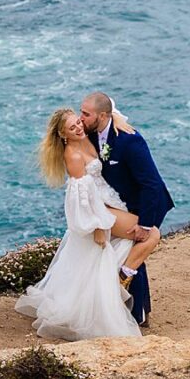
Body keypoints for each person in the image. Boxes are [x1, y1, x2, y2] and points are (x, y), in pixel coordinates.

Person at [14, 108, 161, 340]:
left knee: (103, 259)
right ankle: (122, 277)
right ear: (63, 135)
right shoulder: (72, 155)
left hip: (112, 204)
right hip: (100, 213)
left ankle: (128, 293)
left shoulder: (87, 137)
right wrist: (98, 227)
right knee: (151, 234)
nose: (79, 128)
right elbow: (80, 199)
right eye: (72, 128)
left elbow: (105, 107)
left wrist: (118, 119)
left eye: (78, 123)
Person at [81, 91, 173, 327]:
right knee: (127, 250)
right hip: (121, 203)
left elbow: (151, 184)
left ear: (102, 116)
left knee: (137, 245)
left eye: (86, 114)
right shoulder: (90, 131)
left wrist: (144, 222)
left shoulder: (130, 140)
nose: (81, 118)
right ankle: (128, 306)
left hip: (147, 202)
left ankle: (138, 315)